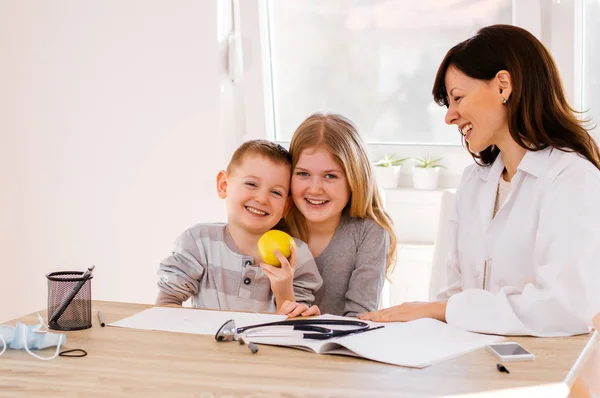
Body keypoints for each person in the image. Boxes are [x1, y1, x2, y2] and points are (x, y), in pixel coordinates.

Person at [359, 24, 600, 337]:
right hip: (473, 360)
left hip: (549, 370)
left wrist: (440, 310)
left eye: (458, 97)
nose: (450, 116)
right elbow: (451, 294)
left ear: (502, 86)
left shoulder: (572, 178)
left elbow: (565, 307)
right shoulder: (474, 181)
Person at [156, 140, 323, 317]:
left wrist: (283, 290)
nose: (261, 199)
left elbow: (296, 328)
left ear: (286, 206)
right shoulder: (198, 242)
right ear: (224, 185)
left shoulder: (296, 255)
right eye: (251, 184)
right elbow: (166, 306)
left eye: (276, 192)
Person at [284, 113, 398, 317]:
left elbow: (360, 317)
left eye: (330, 176)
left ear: (355, 178)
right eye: (303, 174)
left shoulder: (370, 232)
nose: (315, 189)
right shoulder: (278, 223)